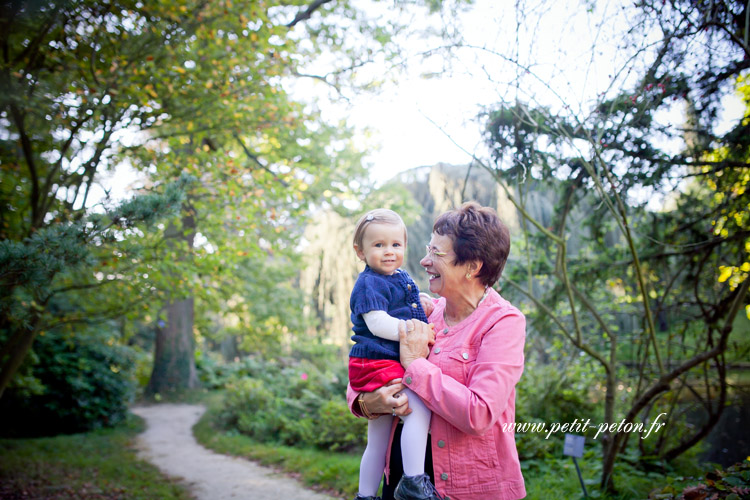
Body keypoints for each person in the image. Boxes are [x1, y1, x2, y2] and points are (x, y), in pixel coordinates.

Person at [348, 202, 527, 500]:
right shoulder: (422, 314)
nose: (423, 261)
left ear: (473, 266)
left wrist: (416, 366)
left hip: (468, 487)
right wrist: (369, 403)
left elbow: (479, 414)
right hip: (400, 481)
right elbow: (367, 369)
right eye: (428, 249)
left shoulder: (503, 322)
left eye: (436, 253)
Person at [348, 208, 443, 500]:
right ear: (360, 251)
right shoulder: (369, 283)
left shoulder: (399, 277)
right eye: (378, 245)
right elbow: (378, 323)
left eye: (395, 245)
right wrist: (414, 330)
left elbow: (406, 302)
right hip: (378, 362)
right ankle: (414, 481)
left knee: (377, 440)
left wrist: (423, 302)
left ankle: (366, 495)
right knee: (416, 408)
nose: (388, 252)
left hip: (379, 362)